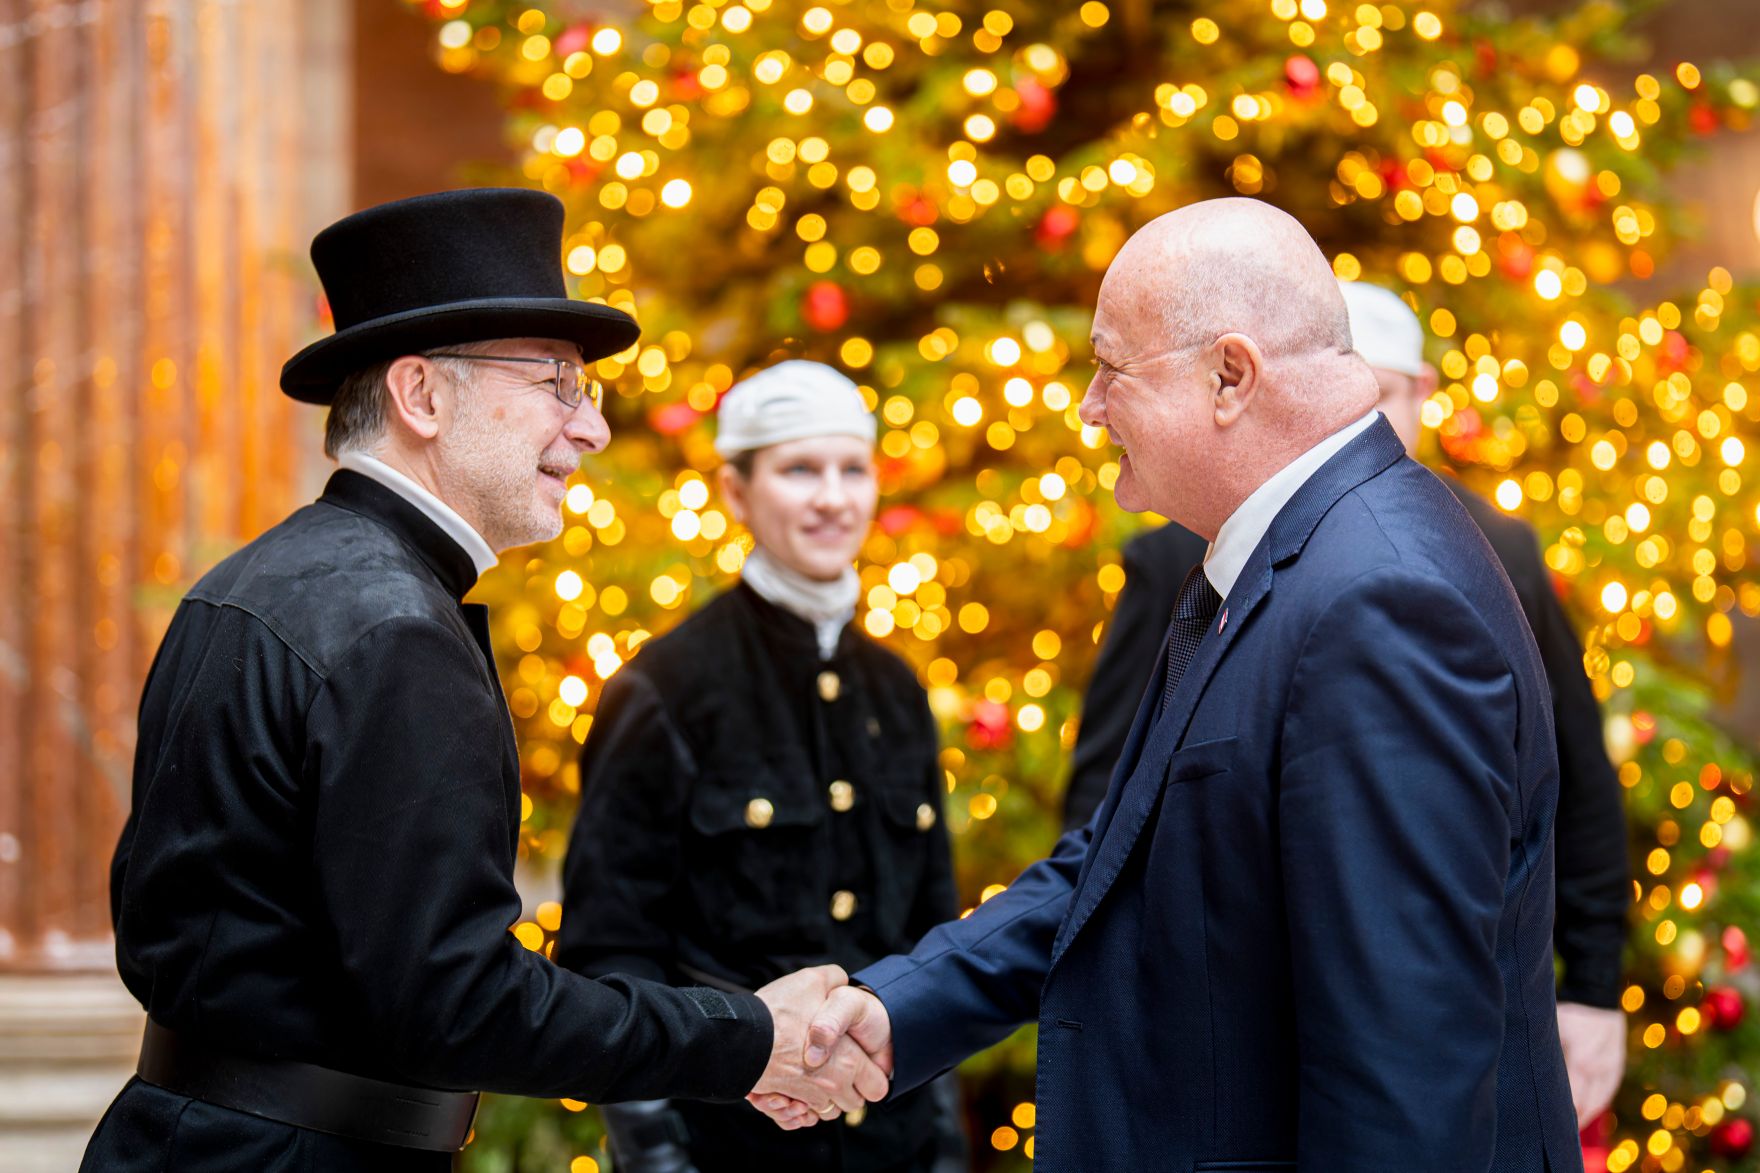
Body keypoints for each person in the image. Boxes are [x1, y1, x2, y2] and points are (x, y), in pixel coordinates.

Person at [760, 198, 1583, 1171]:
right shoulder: (1268, 558)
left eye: (1112, 368)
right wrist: (894, 1008)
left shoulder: (1376, 600)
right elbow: (1117, 859)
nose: (1090, 405)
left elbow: (1400, 1071)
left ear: (1229, 375)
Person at [84, 189, 886, 1173]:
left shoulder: (246, 586)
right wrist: (747, 1038)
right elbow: (455, 1003)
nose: (589, 428)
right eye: (556, 381)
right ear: (421, 395)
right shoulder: (395, 630)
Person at [1061, 278, 1631, 1127]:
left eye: (1383, 392)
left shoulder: (1455, 556)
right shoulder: (1189, 548)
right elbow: (1118, 800)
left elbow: (1571, 785)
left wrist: (1591, 981)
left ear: (1415, 395)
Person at [557, 361, 962, 1173]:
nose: (832, 498)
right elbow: (610, 953)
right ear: (736, 491)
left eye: (853, 469)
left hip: (891, 1149)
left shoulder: (898, 690)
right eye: (799, 469)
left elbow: (932, 945)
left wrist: (943, 1149)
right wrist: (659, 1159)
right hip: (726, 1150)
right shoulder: (667, 686)